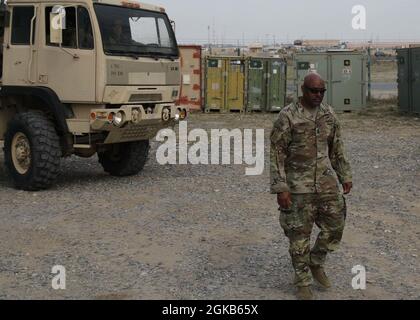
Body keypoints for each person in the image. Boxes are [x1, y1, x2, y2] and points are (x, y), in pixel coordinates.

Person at [270, 73, 353, 300]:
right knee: (299, 236)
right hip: (298, 187)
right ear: (303, 90)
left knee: (336, 226)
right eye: (313, 91)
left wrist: (344, 174)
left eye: (322, 92)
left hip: (326, 183)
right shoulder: (288, 116)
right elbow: (277, 154)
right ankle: (303, 281)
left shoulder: (328, 114)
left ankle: (316, 262)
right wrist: (281, 187)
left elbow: (336, 148)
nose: (318, 95)